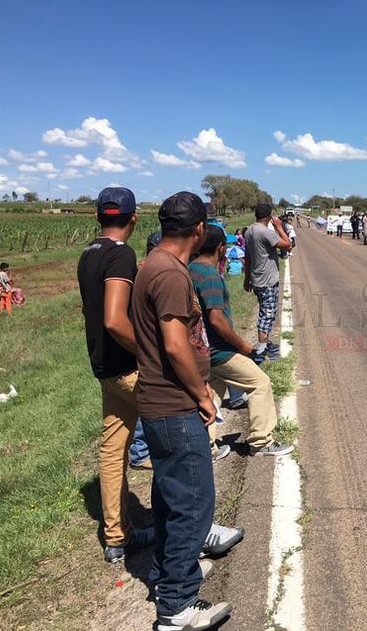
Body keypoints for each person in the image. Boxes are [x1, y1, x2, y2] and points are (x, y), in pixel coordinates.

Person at [132, 191, 232, 631]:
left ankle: (166, 576)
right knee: (193, 504)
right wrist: (202, 395)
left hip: (159, 403)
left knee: (172, 500)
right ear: (198, 230)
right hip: (173, 404)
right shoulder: (170, 274)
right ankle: (176, 606)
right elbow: (175, 345)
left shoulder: (153, 263)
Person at [77, 187, 155, 563]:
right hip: (128, 368)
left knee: (112, 450)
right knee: (179, 437)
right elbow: (113, 318)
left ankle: (116, 537)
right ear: (134, 218)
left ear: (97, 217)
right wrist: (148, 352)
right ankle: (185, 528)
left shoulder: (88, 253)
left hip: (103, 368)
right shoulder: (122, 254)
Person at [190, 225, 293, 457]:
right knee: (260, 383)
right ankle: (261, 441)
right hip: (219, 351)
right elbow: (217, 320)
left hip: (201, 349)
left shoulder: (190, 269)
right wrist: (243, 346)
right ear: (220, 247)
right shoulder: (209, 276)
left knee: (212, 396)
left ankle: (206, 448)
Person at [244, 203, 291, 364]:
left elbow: (248, 256)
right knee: (267, 315)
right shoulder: (265, 232)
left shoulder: (250, 230)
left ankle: (265, 343)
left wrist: (247, 278)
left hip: (257, 278)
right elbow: (287, 244)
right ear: (270, 217)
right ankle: (261, 350)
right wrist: (278, 227)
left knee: (266, 311)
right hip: (267, 280)